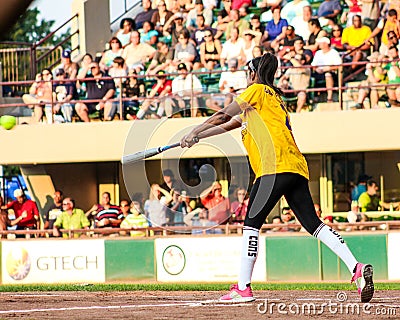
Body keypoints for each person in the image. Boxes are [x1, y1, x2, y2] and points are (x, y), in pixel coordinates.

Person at [180, 52, 374, 303]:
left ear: (253, 73)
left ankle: (243, 287)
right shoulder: (275, 99)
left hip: (273, 167)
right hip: (295, 167)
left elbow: (223, 115)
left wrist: (194, 129)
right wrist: (199, 137)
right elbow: (230, 124)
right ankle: (356, 267)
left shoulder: (256, 91)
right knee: (314, 224)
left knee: (251, 224)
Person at [311, 37, 342, 102]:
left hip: (331, 72)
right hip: (318, 72)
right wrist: (316, 69)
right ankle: (313, 97)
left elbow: (339, 65)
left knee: (328, 75)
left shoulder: (334, 52)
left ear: (326, 44)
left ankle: (329, 97)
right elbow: (313, 65)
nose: (319, 44)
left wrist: (329, 68)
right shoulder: (318, 53)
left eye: (320, 43)